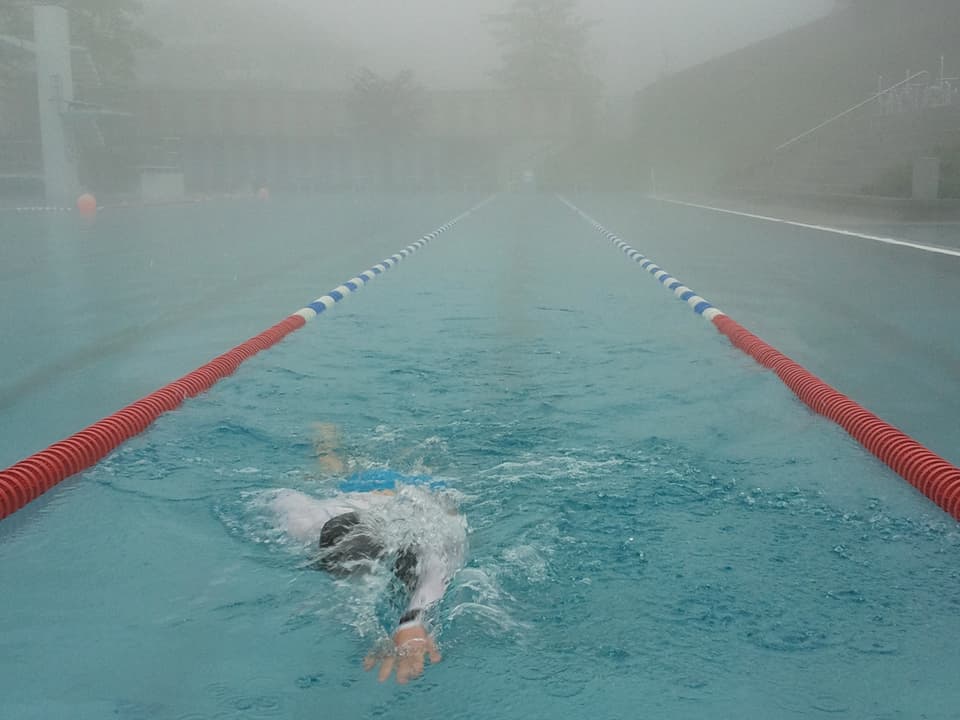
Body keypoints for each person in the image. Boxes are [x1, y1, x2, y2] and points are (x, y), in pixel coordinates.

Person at [268, 424, 466, 685]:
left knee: (332, 466)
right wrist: (411, 621)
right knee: (332, 467)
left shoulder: (418, 520)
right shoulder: (310, 525)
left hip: (420, 492)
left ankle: (325, 436)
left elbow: (438, 557)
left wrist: (411, 621)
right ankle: (326, 437)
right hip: (359, 490)